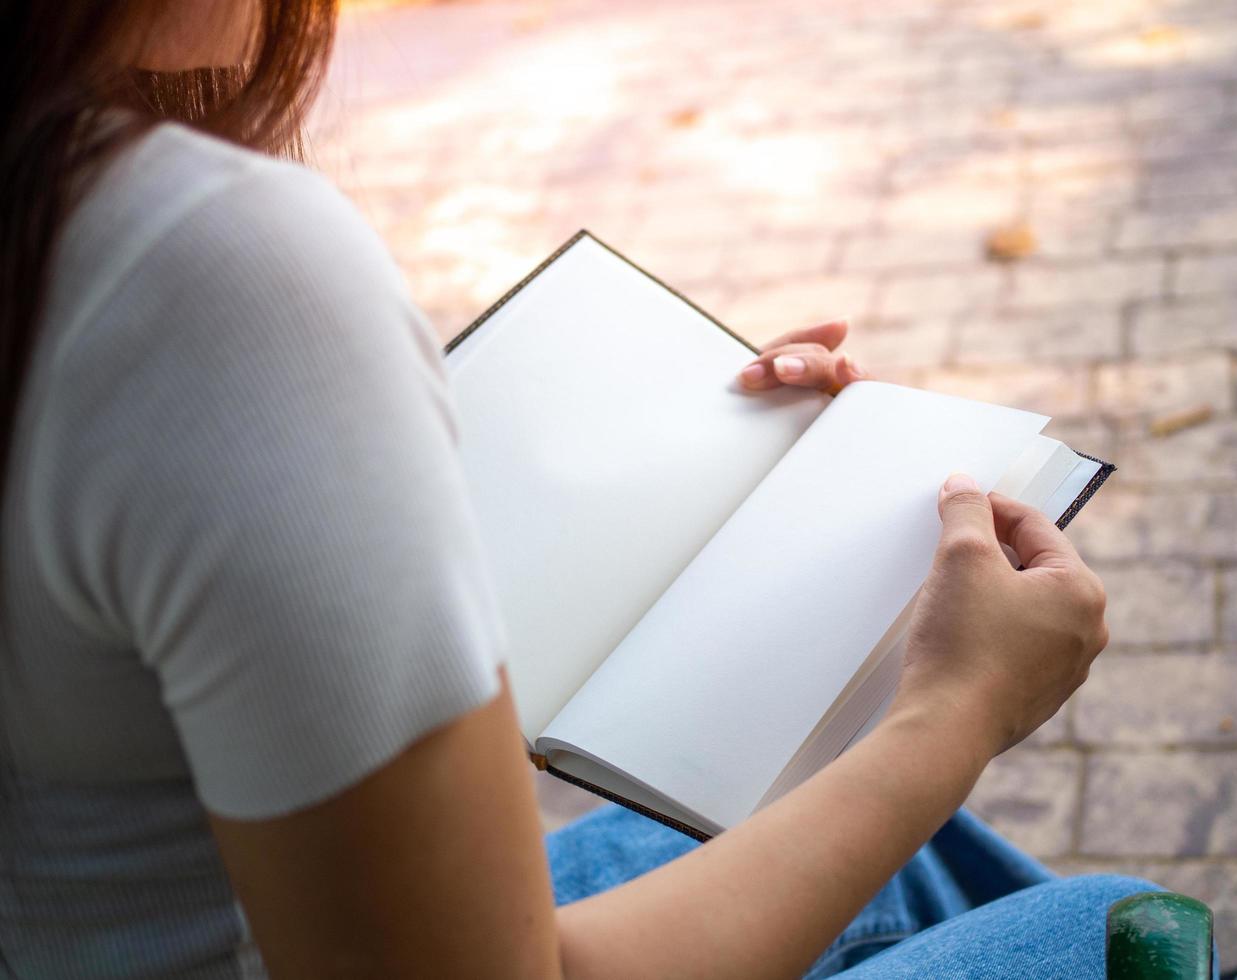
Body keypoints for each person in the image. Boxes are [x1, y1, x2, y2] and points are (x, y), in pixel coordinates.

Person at [0, 3, 1155, 977]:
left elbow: (170, 598)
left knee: (920, 856)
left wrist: (685, 471)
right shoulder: (204, 269)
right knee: (1106, 930)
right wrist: (953, 712)